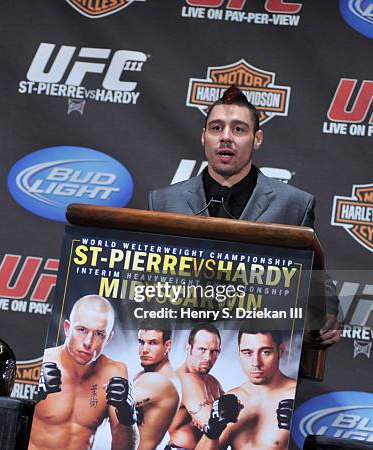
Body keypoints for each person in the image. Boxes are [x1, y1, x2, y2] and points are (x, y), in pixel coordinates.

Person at [148, 85, 340, 347]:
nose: (226, 137)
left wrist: (324, 314)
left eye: (238, 129)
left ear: (257, 139)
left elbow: (315, 280)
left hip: (260, 349)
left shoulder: (294, 204)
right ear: (204, 137)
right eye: (216, 128)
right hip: (185, 348)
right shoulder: (163, 201)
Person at [29, 294, 139, 450]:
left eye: (99, 334)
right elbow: (2, 426)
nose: (88, 342)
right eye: (82, 330)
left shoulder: (115, 372)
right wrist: (30, 395)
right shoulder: (40, 362)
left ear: (108, 339)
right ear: (67, 328)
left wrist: (127, 417)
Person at [195, 325, 296, 450]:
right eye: (248, 353)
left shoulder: (298, 396)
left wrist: (298, 434)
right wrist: (212, 430)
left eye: (265, 352)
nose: (256, 363)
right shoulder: (233, 399)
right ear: (239, 353)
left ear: (280, 350)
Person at [169, 324, 224, 449]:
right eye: (202, 349)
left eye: (213, 351)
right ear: (189, 348)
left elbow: (235, 421)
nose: (207, 357)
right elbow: (217, 427)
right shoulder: (185, 380)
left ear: (219, 351)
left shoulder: (213, 382)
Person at [133, 319, 181, 450]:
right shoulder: (143, 375)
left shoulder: (158, 380)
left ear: (167, 346)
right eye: (141, 342)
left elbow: (111, 405)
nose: (145, 350)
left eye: (153, 343)